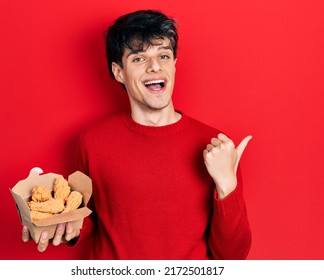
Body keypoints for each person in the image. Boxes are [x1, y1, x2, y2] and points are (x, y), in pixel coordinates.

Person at [22, 9, 252, 260]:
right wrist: (61, 224)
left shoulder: (216, 145)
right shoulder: (94, 141)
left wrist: (226, 183)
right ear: (119, 72)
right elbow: (89, 220)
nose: (155, 66)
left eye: (164, 55)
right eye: (139, 58)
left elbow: (233, 256)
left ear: (174, 65)